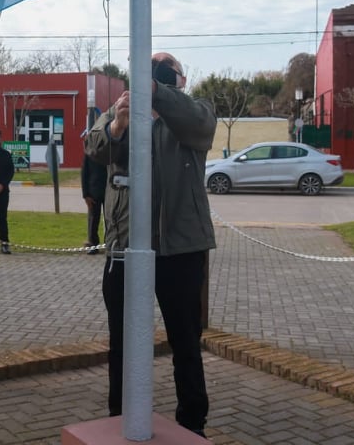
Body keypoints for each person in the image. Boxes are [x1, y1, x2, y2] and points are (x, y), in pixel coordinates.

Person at [84, 52, 217, 438]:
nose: (155, 74)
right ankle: (118, 418)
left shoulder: (195, 110)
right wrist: (119, 124)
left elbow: (200, 126)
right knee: (122, 342)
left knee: (185, 341)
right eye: (150, 68)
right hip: (125, 248)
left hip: (180, 248)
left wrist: (156, 92)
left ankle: (192, 423)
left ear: (182, 79)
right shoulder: (119, 110)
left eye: (164, 69)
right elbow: (95, 149)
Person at [80, 140, 107, 255]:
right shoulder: (89, 153)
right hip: (93, 193)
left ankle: (110, 243)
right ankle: (93, 245)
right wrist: (85, 194)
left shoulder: (111, 152)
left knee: (110, 219)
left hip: (109, 191)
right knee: (93, 220)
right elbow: (84, 173)